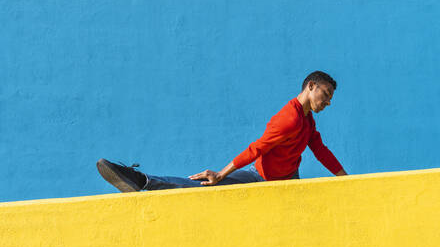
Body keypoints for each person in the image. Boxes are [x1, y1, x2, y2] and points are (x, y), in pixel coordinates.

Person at [97, 70, 347, 192]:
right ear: (311, 86)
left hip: (288, 180)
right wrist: (221, 173)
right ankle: (141, 181)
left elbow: (321, 151)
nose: (327, 102)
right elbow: (256, 148)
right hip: (262, 177)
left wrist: (347, 181)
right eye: (325, 95)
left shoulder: (307, 120)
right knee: (207, 185)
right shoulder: (289, 118)